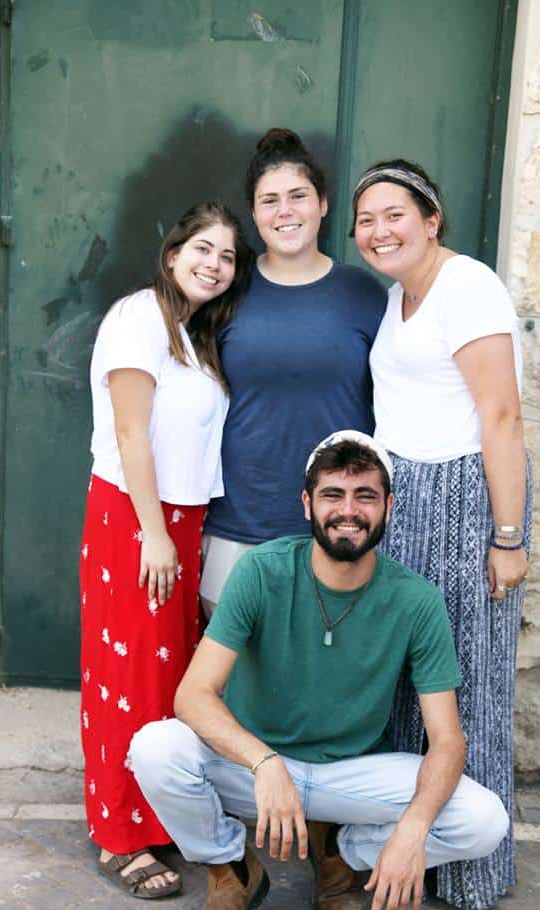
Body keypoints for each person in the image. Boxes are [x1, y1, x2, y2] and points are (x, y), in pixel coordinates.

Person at [130, 432, 509, 910]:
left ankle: (342, 855)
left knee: (484, 819)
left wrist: (412, 833)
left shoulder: (417, 600)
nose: (348, 511)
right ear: (307, 503)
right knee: (155, 748)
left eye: (365, 496)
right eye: (333, 495)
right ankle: (231, 872)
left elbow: (446, 740)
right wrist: (264, 763)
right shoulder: (261, 571)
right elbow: (193, 697)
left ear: (388, 507)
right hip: (255, 770)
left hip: (346, 777)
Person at [351, 159, 531, 910]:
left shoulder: (469, 287)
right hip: (407, 500)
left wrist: (509, 535)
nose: (378, 230)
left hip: (464, 500)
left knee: (467, 684)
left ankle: (472, 867)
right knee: (408, 683)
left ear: (432, 219)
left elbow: (502, 417)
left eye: (395, 214)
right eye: (365, 220)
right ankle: (410, 849)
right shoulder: (400, 297)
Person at [79, 201, 254, 899]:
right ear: (173, 250)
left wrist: (180, 533)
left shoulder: (193, 333)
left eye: (227, 257)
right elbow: (131, 436)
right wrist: (153, 532)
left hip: (179, 522)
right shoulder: (138, 319)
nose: (213, 264)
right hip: (134, 516)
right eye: (202, 249)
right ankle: (118, 834)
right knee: (126, 676)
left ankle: (154, 816)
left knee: (166, 676)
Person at [200, 128, 387, 616]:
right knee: (237, 677)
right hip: (239, 518)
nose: (285, 211)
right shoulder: (226, 291)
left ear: (323, 204)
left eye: (298, 196)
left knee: (325, 669)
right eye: (270, 201)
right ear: (255, 214)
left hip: (341, 522)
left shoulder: (364, 295)